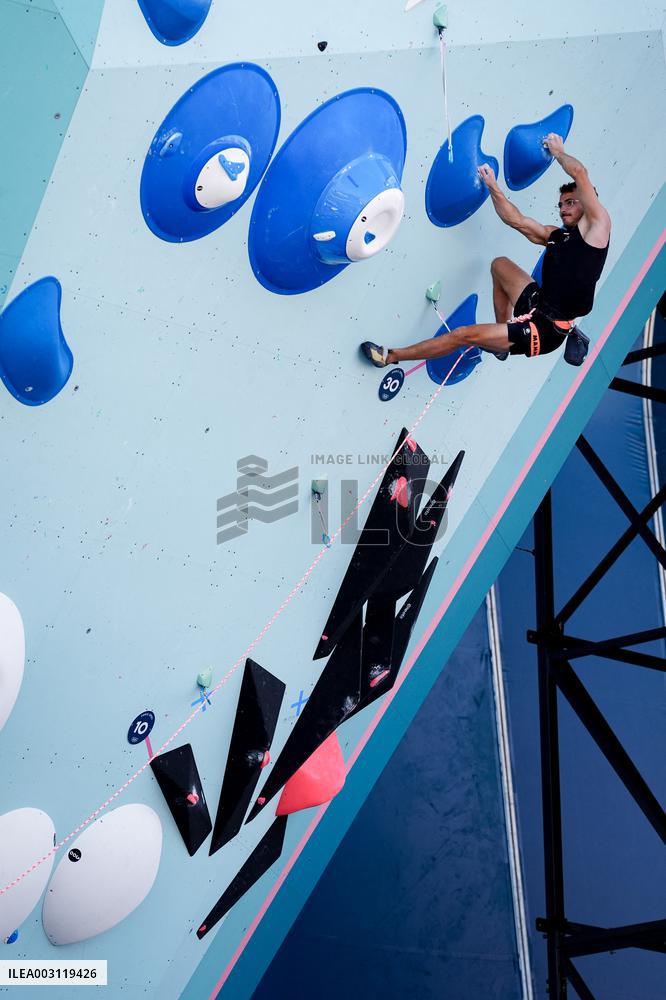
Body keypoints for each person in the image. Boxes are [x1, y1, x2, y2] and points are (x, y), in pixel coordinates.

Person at [360, 134, 611, 367]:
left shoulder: (597, 229)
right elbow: (518, 221)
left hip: (544, 331)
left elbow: (579, 172)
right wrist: (493, 186)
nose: (563, 209)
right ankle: (500, 339)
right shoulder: (558, 236)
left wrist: (558, 152)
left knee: (464, 335)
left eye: (570, 203)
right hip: (538, 304)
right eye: (560, 205)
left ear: (589, 202)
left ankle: (391, 356)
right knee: (500, 265)